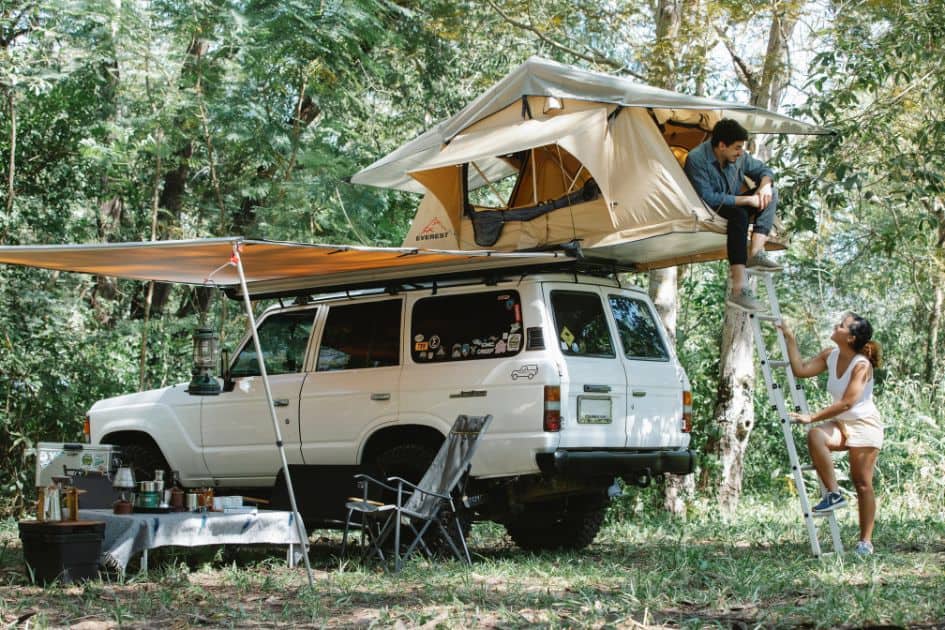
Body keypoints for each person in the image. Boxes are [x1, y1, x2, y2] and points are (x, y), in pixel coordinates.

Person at [776, 313, 883, 556]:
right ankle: (834, 494)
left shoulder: (861, 365)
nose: (835, 325)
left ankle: (865, 542)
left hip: (865, 425)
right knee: (816, 436)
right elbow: (801, 370)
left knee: (862, 483)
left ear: (851, 337)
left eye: (841, 325)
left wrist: (812, 416)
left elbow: (847, 403)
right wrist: (790, 338)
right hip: (843, 425)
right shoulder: (829, 355)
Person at [684, 118, 781, 312]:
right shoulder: (696, 159)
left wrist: (765, 186)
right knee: (739, 214)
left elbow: (764, 170)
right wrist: (747, 200)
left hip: (734, 203)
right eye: (737, 148)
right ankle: (739, 289)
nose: (740, 152)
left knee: (772, 193)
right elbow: (708, 198)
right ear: (721, 145)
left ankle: (755, 253)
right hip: (707, 209)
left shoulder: (740, 157)